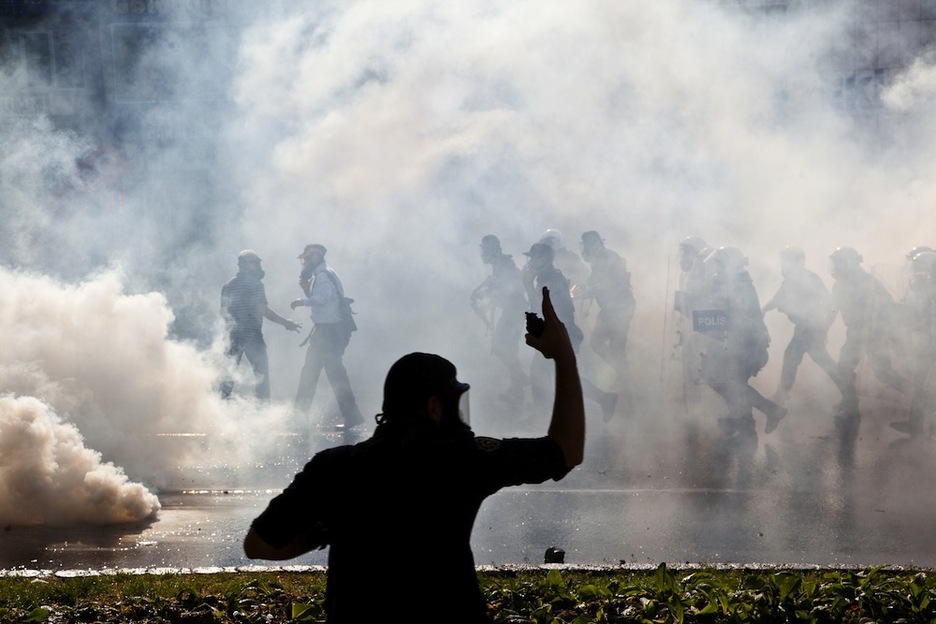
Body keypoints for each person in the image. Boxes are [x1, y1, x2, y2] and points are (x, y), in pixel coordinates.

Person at [243, 287, 585, 624]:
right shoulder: (464, 460)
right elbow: (566, 451)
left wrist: (326, 531)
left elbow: (258, 545)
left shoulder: (334, 466)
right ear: (434, 407)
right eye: (454, 403)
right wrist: (564, 356)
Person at [523, 242, 617, 421]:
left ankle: (541, 416)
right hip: (557, 333)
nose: (530, 262)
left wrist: (527, 284)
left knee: (550, 373)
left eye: (533, 258)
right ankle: (603, 399)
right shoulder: (545, 276)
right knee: (553, 373)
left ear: (543, 259)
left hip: (562, 333)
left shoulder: (551, 278)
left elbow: (543, 307)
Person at [291, 243, 364, 430]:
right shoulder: (326, 273)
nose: (304, 263)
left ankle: (299, 417)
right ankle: (351, 415)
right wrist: (307, 290)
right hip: (328, 332)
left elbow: (323, 298)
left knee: (313, 373)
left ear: (314, 259)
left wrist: (302, 301)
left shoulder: (323, 276)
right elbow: (326, 300)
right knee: (331, 374)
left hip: (327, 333)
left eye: (306, 259)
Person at [828, 246, 906, 417]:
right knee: (845, 368)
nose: (836, 267)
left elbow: (888, 306)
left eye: (840, 262)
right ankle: (849, 403)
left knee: (884, 373)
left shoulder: (869, 282)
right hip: (855, 332)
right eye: (836, 263)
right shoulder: (839, 285)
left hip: (873, 333)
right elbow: (831, 310)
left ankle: (919, 398)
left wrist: (886, 331)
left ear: (849, 263)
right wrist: (823, 328)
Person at [762, 246, 839, 409]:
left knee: (794, 358)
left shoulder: (809, 278)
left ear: (797, 261)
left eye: (787, 260)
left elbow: (831, 304)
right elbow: (778, 299)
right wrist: (763, 310)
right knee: (819, 361)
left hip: (810, 328)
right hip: (805, 328)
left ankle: (780, 398)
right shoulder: (790, 280)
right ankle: (849, 392)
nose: (783, 264)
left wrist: (824, 327)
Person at [220, 250, 302, 400]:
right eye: (254, 263)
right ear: (243, 265)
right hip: (252, 336)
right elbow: (262, 309)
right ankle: (263, 413)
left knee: (227, 377)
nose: (257, 266)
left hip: (232, 338)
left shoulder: (228, 285)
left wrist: (232, 331)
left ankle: (218, 412)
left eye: (258, 263)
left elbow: (223, 313)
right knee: (261, 376)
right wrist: (286, 323)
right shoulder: (256, 284)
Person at [578, 230, 636, 404]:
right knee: (596, 343)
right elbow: (594, 281)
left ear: (595, 243)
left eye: (586, 243)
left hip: (620, 307)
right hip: (609, 308)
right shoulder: (596, 260)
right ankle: (622, 374)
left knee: (617, 348)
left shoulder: (608, 257)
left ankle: (626, 384)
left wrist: (591, 289)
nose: (584, 248)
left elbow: (612, 282)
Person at [470, 235, 529, 405]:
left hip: (514, 312)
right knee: (508, 349)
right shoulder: (499, 265)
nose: (483, 253)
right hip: (511, 311)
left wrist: (487, 296)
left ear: (493, 249)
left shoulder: (504, 265)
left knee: (500, 346)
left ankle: (521, 379)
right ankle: (518, 389)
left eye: (486, 249)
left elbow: (509, 291)